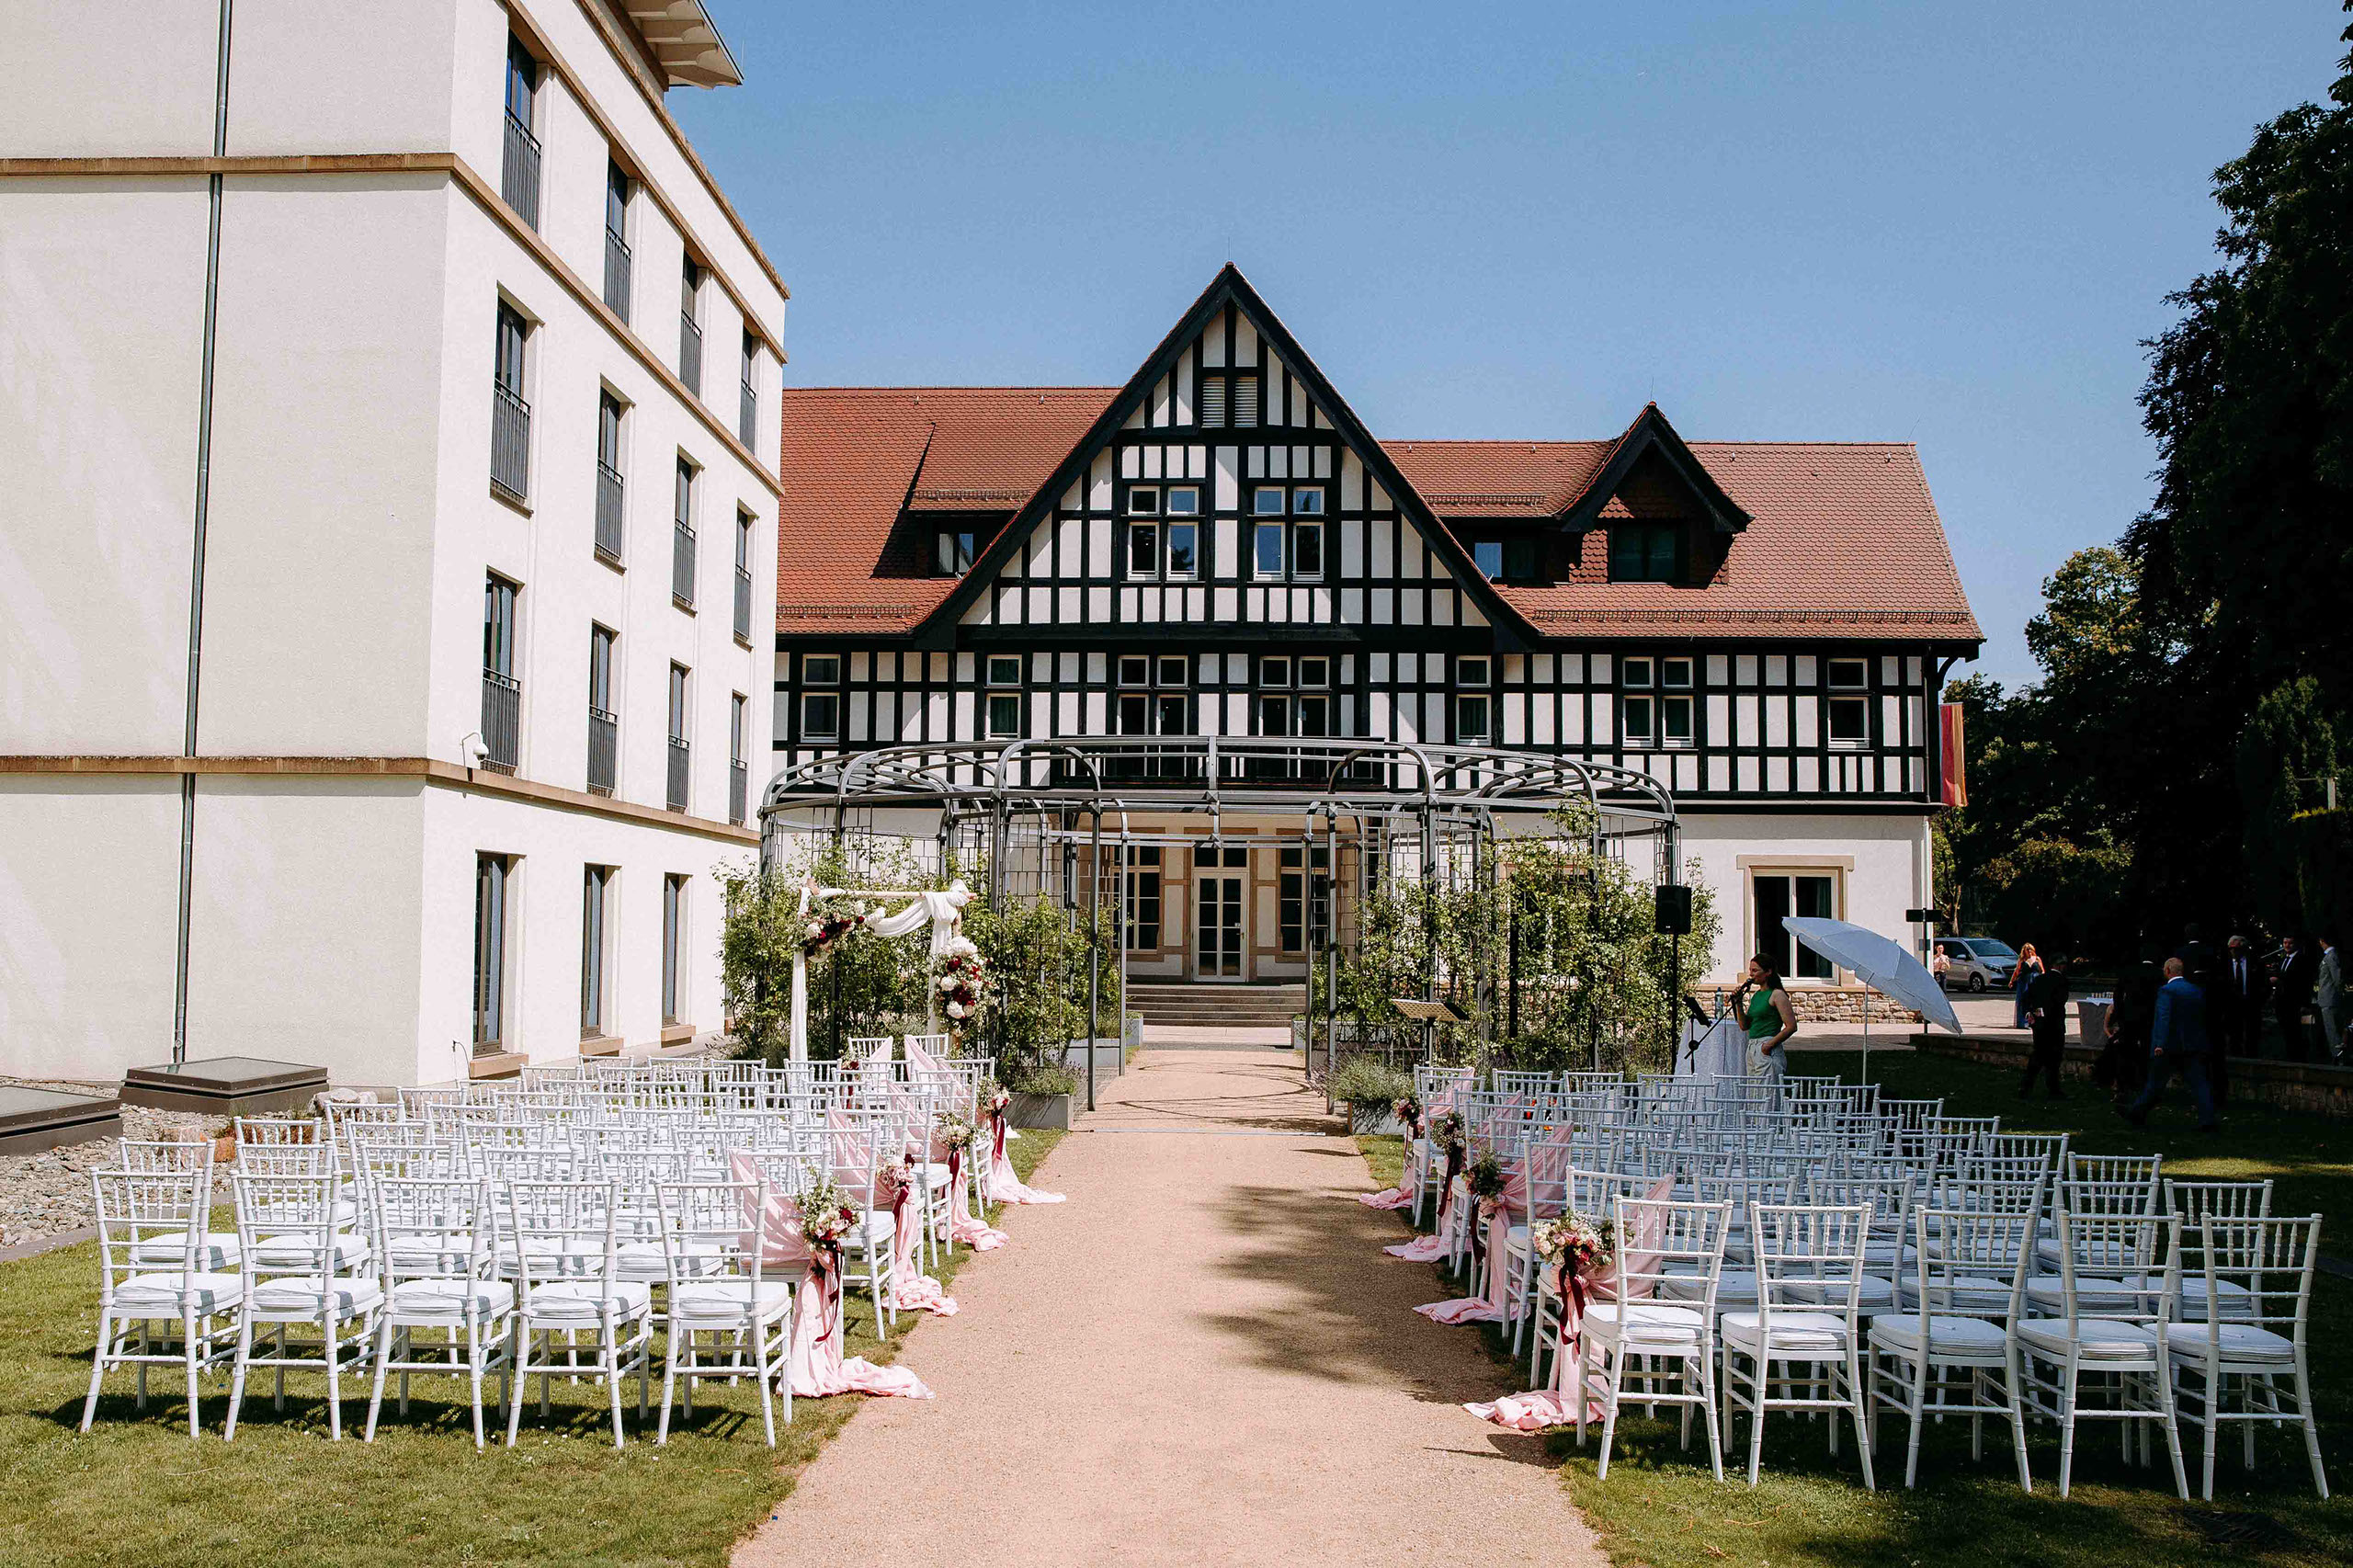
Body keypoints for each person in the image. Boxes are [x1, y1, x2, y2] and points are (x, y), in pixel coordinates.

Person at [2123, 957, 2219, 1131]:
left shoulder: (2166, 991)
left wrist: (2160, 1043)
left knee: (2155, 1083)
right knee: (2199, 1084)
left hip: (2170, 1046)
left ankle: (2137, 1112)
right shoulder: (2196, 990)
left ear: (2167, 971)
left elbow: (2163, 1018)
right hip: (2192, 1045)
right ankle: (2207, 1119)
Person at [2097, 952, 2161, 1102]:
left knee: (2124, 1054)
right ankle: (2146, 1086)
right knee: (2146, 1053)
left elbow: (2118, 994)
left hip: (2130, 1018)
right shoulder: (2158, 974)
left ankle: (2123, 1087)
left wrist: (2120, 1013)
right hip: (2149, 1019)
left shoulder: (2129, 972)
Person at [2210, 932, 2265, 1107]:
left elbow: (2262, 984)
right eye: (2231, 949)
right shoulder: (2223, 965)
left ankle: (2251, 1061)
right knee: (2234, 1035)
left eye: (2237, 949)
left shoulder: (2256, 963)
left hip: (2251, 1005)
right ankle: (2235, 1060)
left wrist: (2258, 999)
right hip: (2231, 1007)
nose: (2234, 953)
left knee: (2252, 1034)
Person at [1735, 954, 1797, 1097]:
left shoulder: (1777, 995)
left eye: (1755, 970)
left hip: (1767, 1046)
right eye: (1750, 970)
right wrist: (1738, 1003)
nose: (1751, 974)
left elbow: (1791, 1026)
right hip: (1752, 1047)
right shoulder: (1757, 995)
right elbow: (1744, 1026)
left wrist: (1768, 1045)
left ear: (1768, 972)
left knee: (1768, 1096)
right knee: (1754, 1096)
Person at [2018, 950, 2072, 1099]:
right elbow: (2060, 1001)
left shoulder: (2039, 980)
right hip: (2054, 1025)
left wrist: (2031, 1012)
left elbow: (2026, 997)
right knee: (2054, 1059)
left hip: (2040, 1023)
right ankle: (2053, 1089)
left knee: (2038, 1056)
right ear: (2059, 966)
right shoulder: (2062, 981)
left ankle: (2026, 1087)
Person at [2275, 933, 2317, 1063]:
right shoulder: (2283, 959)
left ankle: (2298, 1059)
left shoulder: (2302, 960)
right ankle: (2289, 1057)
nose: (2287, 945)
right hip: (2282, 1002)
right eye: (2285, 943)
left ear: (2296, 944)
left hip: (2295, 1003)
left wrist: (2304, 1004)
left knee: (2296, 1033)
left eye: (2290, 943)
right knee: (2286, 1032)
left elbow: (2304, 982)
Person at [2320, 934, 2347, 1064]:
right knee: (2332, 1030)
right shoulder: (2331, 956)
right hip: (2328, 998)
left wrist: (2339, 993)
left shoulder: (2331, 956)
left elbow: (2337, 977)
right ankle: (2337, 1055)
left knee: (2333, 1031)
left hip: (2330, 999)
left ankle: (2338, 1057)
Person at [2011, 942, 2043, 1029]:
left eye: (2030, 949)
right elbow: (2017, 971)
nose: (2029, 951)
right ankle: (2023, 1022)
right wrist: (2011, 981)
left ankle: (2035, 1021)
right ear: (2024, 951)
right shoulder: (2022, 960)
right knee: (2023, 1001)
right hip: (2024, 983)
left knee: (2035, 1002)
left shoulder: (2037, 959)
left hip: (2035, 982)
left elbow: (2042, 971)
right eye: (2027, 949)